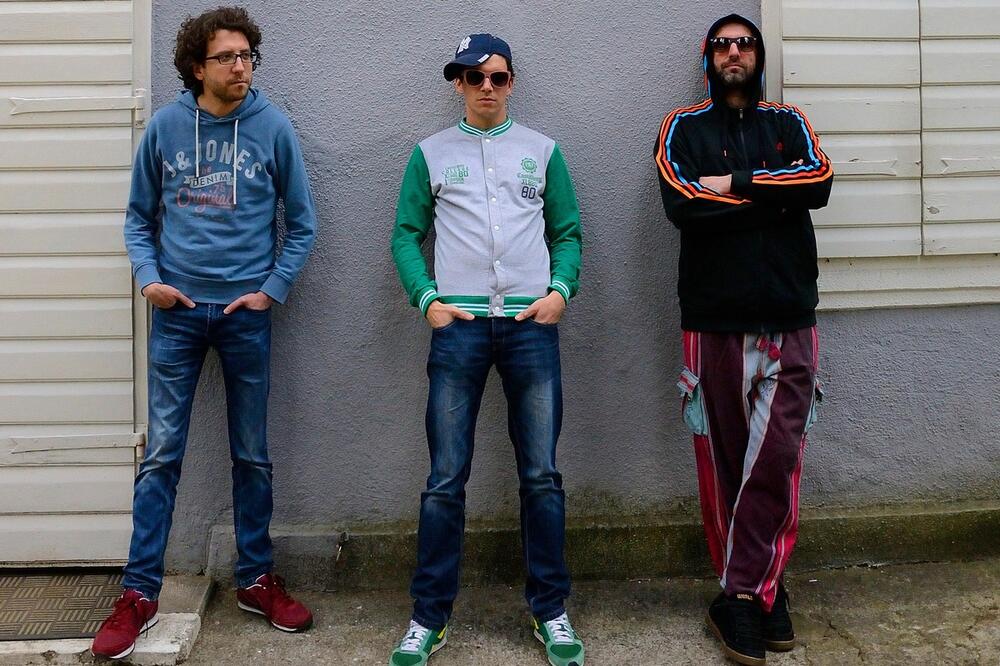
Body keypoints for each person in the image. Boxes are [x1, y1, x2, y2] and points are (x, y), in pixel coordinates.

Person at [92, 6, 316, 660]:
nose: (241, 67)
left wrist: (270, 290)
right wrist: (150, 280)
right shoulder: (166, 128)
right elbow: (138, 219)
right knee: (163, 455)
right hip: (179, 313)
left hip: (245, 315)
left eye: (247, 56)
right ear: (197, 66)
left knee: (253, 455)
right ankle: (139, 595)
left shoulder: (272, 127)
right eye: (227, 57)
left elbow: (302, 224)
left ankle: (255, 579)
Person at [389, 33, 585, 666]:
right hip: (460, 329)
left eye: (497, 77)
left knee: (541, 476)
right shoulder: (431, 154)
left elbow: (568, 232)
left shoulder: (542, 150)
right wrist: (428, 300)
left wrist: (559, 292)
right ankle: (428, 617)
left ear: (511, 82)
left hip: (531, 326)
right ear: (458, 84)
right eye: (474, 77)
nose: (486, 87)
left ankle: (550, 611)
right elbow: (406, 235)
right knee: (445, 480)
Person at [654, 13, 833, 666]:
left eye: (745, 43)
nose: (735, 52)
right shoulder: (681, 128)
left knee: (777, 457)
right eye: (723, 44)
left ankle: (743, 591)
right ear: (708, 58)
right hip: (714, 320)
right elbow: (682, 203)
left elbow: (819, 182)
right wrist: (777, 199)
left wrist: (735, 185)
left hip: (790, 315)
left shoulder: (789, 123)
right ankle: (761, 593)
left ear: (759, 55)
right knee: (724, 463)